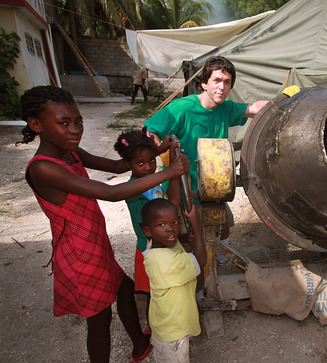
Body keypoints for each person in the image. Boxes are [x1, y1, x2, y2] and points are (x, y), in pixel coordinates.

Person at [20, 85, 189, 362]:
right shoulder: (44, 168)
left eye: (78, 121)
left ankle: (138, 344)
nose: (75, 129)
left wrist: (158, 151)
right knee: (99, 320)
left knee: (123, 288)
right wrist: (170, 172)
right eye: (63, 123)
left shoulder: (71, 153)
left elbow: (121, 166)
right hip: (78, 254)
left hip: (94, 244)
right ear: (36, 125)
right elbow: (110, 193)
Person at [144, 55, 268, 264]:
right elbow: (149, 130)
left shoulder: (225, 109)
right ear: (204, 83)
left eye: (227, 82)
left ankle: (213, 261)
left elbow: (254, 107)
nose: (222, 87)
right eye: (216, 80)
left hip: (213, 188)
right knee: (183, 236)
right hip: (184, 189)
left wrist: (284, 100)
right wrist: (162, 151)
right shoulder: (182, 108)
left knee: (223, 228)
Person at [114, 128, 188, 331]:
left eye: (152, 161)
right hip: (149, 250)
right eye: (140, 163)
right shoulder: (134, 191)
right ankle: (154, 329)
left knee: (165, 290)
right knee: (152, 294)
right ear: (128, 164)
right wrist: (172, 172)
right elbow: (170, 208)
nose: (148, 168)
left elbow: (170, 204)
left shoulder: (153, 182)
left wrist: (172, 169)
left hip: (163, 244)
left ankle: (169, 321)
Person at [141, 198, 206, 363]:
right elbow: (200, 260)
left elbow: (174, 240)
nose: (170, 228)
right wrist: (197, 227)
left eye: (175, 222)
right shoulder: (163, 261)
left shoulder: (159, 245)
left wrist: (184, 238)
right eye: (161, 225)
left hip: (171, 324)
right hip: (172, 334)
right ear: (147, 231)